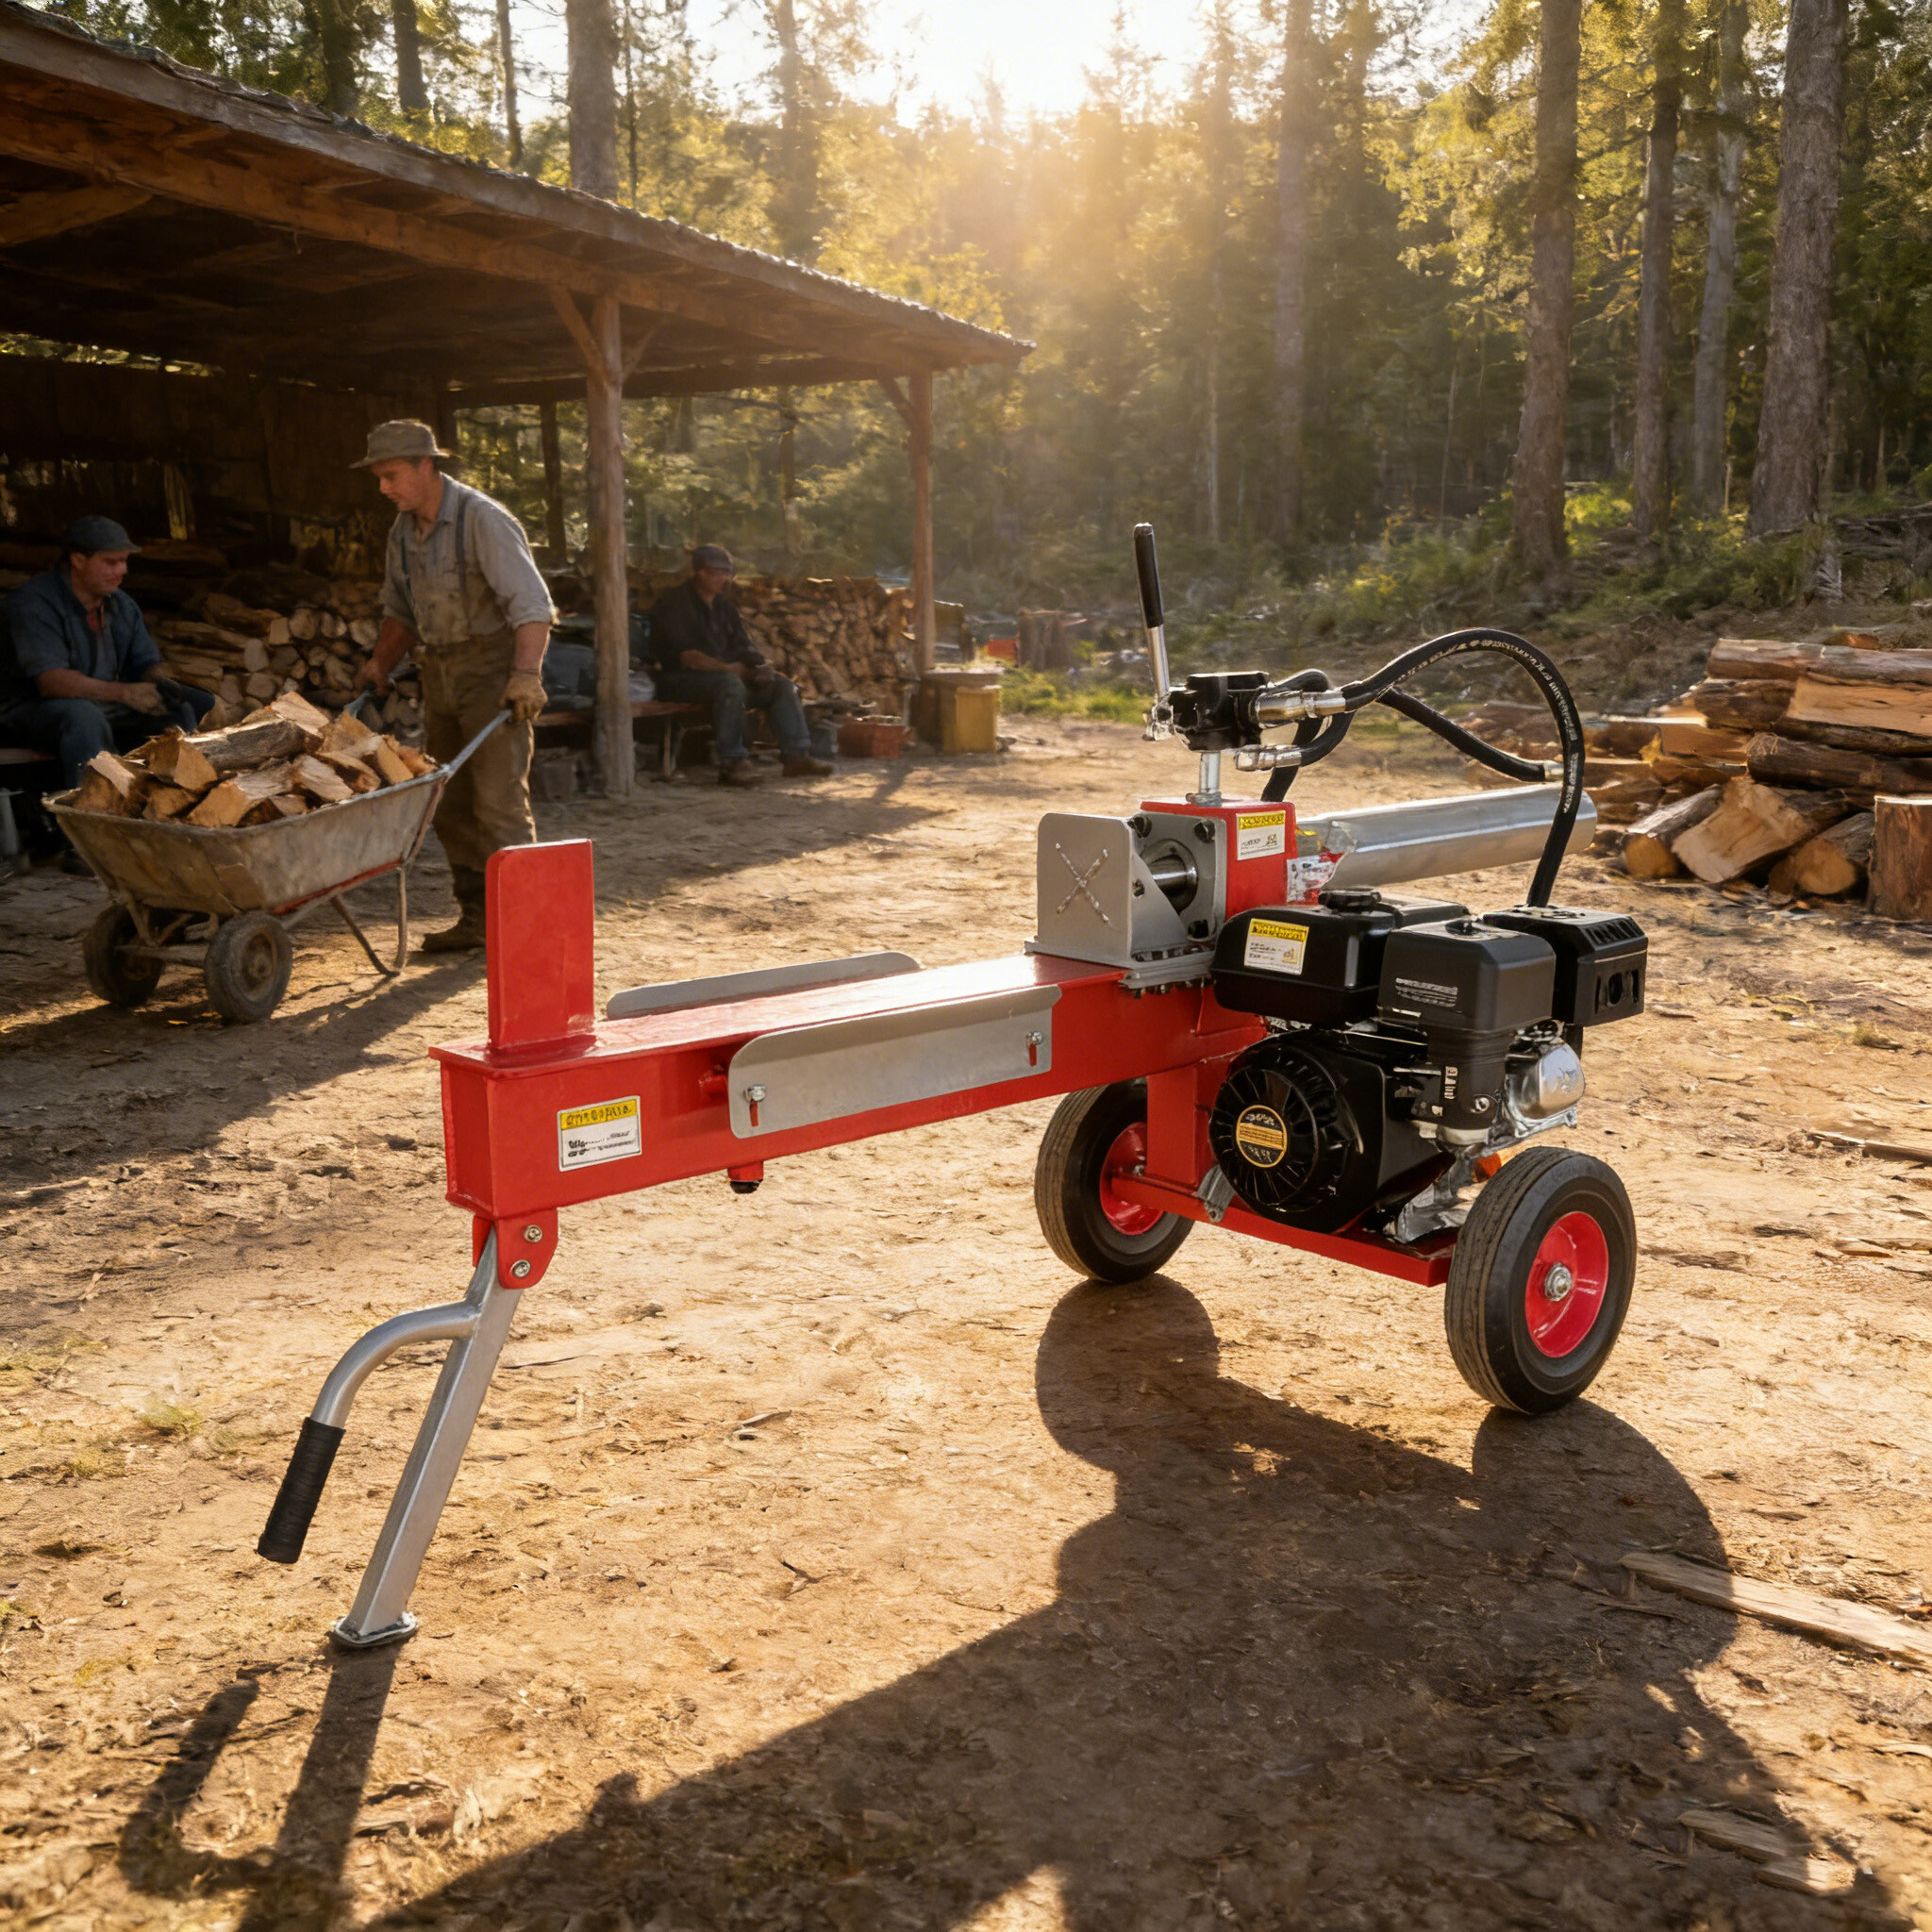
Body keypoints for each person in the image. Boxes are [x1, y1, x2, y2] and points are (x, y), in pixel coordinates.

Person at [351, 420, 554, 954]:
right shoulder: (403, 532)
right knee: (451, 802)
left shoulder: (482, 520)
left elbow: (532, 606)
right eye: (378, 478)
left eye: (391, 475)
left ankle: (527, 926)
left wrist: (527, 674)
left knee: (499, 802)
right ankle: (478, 919)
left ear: (426, 466)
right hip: (439, 673)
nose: (383, 488)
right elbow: (401, 612)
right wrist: (379, 663)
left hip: (493, 672)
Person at [0, 515, 215, 797]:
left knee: (190, 703)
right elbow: (51, 682)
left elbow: (143, 663)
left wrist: (160, 683)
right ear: (77, 560)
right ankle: (94, 809)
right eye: (111, 562)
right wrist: (124, 693)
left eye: (124, 561)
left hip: (95, 702)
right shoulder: (32, 605)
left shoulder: (120, 604)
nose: (122, 570)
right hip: (27, 711)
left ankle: (176, 800)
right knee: (82, 718)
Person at [647, 545, 833, 787]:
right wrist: (731, 670)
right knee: (731, 684)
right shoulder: (675, 603)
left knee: (781, 685)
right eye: (718, 573)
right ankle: (732, 763)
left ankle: (797, 756)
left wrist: (761, 666)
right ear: (701, 572)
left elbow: (743, 647)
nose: (724, 579)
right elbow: (687, 658)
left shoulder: (724, 608)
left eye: (726, 573)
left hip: (724, 681)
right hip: (680, 680)